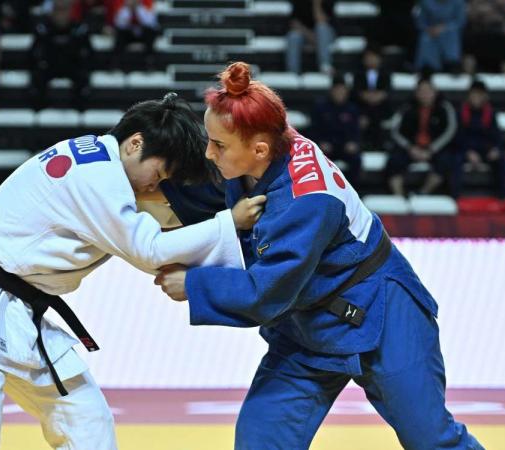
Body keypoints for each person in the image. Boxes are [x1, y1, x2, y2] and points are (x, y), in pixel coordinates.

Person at [155, 62, 483, 450]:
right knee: (261, 441)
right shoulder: (269, 140)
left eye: (218, 145)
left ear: (258, 149)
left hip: (383, 312)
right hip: (307, 324)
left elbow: (266, 292)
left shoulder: (307, 202)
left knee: (431, 440)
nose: (209, 154)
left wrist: (192, 284)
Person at [0, 93, 266, 450]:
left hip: (16, 310)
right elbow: (149, 251)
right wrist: (229, 222)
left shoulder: (96, 158)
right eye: (157, 175)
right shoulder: (100, 178)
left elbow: (146, 234)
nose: (153, 187)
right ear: (135, 144)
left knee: (87, 424)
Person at [386, 76, 457, 196]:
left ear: (435, 92)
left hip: (435, 148)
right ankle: (398, 195)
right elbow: (395, 131)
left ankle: (423, 192)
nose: (425, 94)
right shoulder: (407, 108)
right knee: (394, 160)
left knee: (446, 161)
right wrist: (410, 147)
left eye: (428, 91)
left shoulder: (444, 108)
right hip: (411, 148)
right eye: (421, 91)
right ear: (416, 93)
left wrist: (432, 149)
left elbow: (450, 131)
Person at [30, 0, 94, 109]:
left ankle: (79, 109)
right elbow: (32, 53)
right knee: (37, 77)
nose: (60, 15)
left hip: (72, 66)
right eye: (57, 10)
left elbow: (90, 53)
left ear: (70, 12)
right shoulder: (43, 28)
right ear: (52, 11)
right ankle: (40, 107)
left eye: (64, 10)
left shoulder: (79, 29)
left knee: (83, 77)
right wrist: (40, 62)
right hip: (50, 66)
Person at [453, 80, 505, 198]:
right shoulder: (460, 113)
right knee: (454, 159)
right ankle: (455, 195)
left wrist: (496, 149)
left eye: (479, 94)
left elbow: (497, 136)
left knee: (501, 159)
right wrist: (468, 152)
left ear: (485, 96)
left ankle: (502, 196)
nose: (476, 97)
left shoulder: (490, 113)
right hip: (465, 149)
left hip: (484, 150)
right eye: (474, 94)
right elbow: (457, 137)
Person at [309, 75, 361, 184]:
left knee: (356, 159)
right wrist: (320, 143)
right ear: (332, 91)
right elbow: (314, 129)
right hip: (326, 145)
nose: (340, 93)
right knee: (317, 160)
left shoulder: (352, 109)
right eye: (337, 90)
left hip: (345, 146)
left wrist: (354, 143)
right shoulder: (320, 107)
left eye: (343, 90)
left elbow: (356, 130)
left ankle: (352, 190)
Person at [351, 43, 392, 151]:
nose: (371, 60)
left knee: (376, 114)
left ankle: (379, 144)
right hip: (363, 106)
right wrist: (368, 96)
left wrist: (377, 96)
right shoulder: (358, 73)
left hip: (381, 106)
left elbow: (386, 91)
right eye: (368, 57)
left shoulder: (385, 73)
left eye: (374, 57)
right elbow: (357, 91)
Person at [414, 0, 466, 72]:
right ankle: (428, 67)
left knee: (452, 34)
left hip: (451, 30)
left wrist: (444, 28)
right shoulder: (425, 2)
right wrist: (429, 29)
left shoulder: (458, 2)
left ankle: (452, 63)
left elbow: (460, 22)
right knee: (426, 38)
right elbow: (420, 22)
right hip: (430, 31)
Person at [286, 0, 336, 74]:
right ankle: (292, 72)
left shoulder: (328, 2)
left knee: (321, 28)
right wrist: (310, 36)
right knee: (293, 36)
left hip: (326, 36)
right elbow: (294, 23)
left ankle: (325, 65)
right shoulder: (300, 2)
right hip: (306, 34)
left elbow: (321, 20)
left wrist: (316, 4)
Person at [111, 0, 159, 70]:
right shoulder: (123, 10)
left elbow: (151, 23)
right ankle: (116, 62)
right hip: (129, 35)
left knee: (150, 32)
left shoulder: (145, 8)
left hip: (142, 34)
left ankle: (150, 61)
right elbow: (119, 24)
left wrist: (137, 10)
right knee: (120, 34)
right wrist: (129, 11)